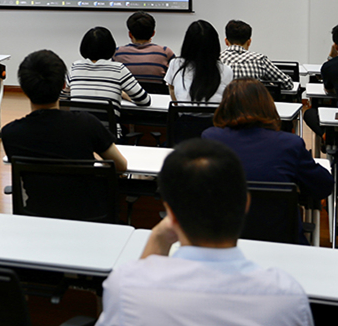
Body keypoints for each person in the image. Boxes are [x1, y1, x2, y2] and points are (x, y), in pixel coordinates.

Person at [97, 138, 314, 326]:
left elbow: (138, 279)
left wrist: (157, 239)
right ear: (246, 203)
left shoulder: (126, 287)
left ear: (170, 214)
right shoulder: (287, 297)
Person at [202, 78, 332, 244]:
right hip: (282, 243)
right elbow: (323, 186)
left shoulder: (210, 138)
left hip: (223, 239)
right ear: (268, 106)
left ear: (224, 106)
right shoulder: (289, 144)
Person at [2, 50, 128, 172]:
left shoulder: (10, 134)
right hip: (83, 187)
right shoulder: (87, 124)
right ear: (63, 85)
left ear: (23, 89)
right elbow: (120, 165)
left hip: (37, 188)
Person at [66, 27, 150, 134]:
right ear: (111, 48)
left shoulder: (75, 67)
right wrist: (122, 94)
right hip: (108, 137)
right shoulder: (118, 69)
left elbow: (63, 96)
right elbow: (144, 100)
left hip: (78, 135)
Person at [164, 20, 234, 103]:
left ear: (187, 44)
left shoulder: (176, 64)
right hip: (215, 111)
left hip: (183, 111)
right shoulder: (226, 70)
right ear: (215, 45)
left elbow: (172, 91)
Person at [219, 20, 292, 89]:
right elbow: (287, 83)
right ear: (249, 42)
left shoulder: (217, 60)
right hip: (252, 98)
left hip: (224, 98)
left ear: (226, 41)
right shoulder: (260, 59)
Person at [113, 11, 175, 83]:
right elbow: (176, 77)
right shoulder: (165, 52)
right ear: (153, 33)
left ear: (130, 34)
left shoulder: (118, 53)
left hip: (127, 90)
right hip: (156, 90)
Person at [304, 24, 338, 137]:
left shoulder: (330, 67)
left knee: (310, 113)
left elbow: (328, 90)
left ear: (336, 46)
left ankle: (327, 136)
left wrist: (331, 57)